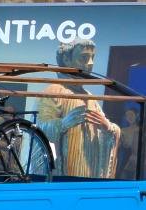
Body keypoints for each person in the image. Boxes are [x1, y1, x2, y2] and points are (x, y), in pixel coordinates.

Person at [35, 40, 120, 178]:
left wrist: (108, 128)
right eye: (84, 58)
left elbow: (105, 128)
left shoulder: (89, 97)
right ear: (66, 59)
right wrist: (62, 124)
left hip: (87, 171)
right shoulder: (53, 91)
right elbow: (38, 129)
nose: (90, 63)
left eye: (92, 57)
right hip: (63, 175)